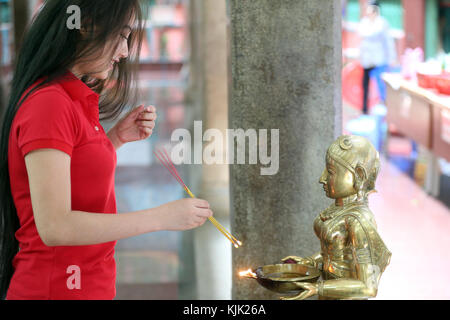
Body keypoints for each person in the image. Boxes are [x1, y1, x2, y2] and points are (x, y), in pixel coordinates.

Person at [0, 0, 212, 300]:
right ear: (85, 26)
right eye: (122, 35)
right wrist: (162, 218)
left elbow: (72, 174)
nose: (124, 51)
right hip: (56, 289)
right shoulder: (50, 104)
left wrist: (114, 139)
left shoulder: (71, 97)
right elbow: (55, 226)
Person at [359, 1, 397, 114]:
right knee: (365, 85)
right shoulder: (364, 23)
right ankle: (365, 109)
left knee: (380, 86)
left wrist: (392, 58)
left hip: (379, 60)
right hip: (366, 60)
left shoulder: (382, 24)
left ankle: (383, 109)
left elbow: (388, 42)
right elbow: (362, 37)